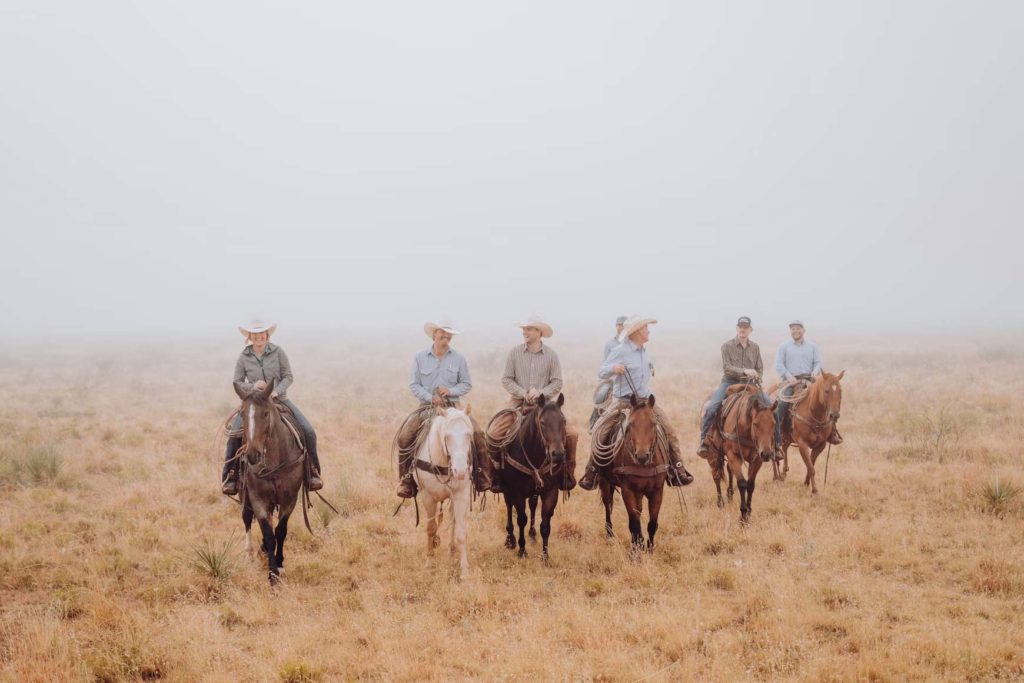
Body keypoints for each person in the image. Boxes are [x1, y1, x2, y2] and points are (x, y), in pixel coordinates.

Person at [578, 316, 694, 490]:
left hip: (646, 402)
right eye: (646, 327)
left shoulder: (644, 351)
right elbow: (602, 371)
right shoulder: (621, 350)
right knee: (600, 431)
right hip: (623, 401)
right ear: (637, 332)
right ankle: (592, 471)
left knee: (669, 431)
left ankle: (677, 469)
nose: (648, 330)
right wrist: (613, 368)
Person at [222, 319, 323, 495]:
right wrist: (253, 387)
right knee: (234, 435)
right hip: (253, 403)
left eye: (262, 333)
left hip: (279, 399)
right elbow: (237, 382)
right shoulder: (243, 357)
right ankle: (231, 476)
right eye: (255, 334)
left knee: (308, 431)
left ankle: (312, 473)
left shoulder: (278, 352)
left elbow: (288, 376)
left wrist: (276, 391)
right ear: (250, 337)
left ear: (267, 335)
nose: (259, 337)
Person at [394, 321, 488, 498]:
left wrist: (450, 391)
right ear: (433, 335)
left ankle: (482, 475)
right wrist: (430, 397)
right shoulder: (419, 357)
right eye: (442, 334)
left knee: (478, 433)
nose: (445, 338)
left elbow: (466, 383)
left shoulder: (459, 358)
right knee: (405, 436)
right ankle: (406, 480)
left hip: (453, 407)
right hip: (427, 407)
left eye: (448, 335)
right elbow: (414, 385)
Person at [484, 316, 577, 493]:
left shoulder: (551, 355)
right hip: (517, 402)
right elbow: (506, 379)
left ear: (539, 333)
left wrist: (541, 392)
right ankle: (495, 474)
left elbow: (557, 382)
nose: (525, 332)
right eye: (524, 329)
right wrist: (522, 393)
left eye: (529, 329)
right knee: (493, 433)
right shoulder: (514, 353)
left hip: (545, 405)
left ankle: (566, 473)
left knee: (572, 434)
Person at [697, 316, 766, 459]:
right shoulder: (726, 346)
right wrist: (745, 371)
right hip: (730, 382)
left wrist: (757, 375)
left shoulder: (755, 347)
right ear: (736, 329)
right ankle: (704, 441)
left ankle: (775, 444)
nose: (743, 329)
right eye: (740, 327)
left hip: (750, 384)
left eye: (745, 327)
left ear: (750, 330)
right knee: (711, 408)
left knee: (771, 408)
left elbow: (760, 368)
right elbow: (727, 368)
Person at [774, 319, 842, 449]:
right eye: (793, 329)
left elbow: (818, 362)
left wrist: (815, 372)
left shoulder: (812, 346)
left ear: (803, 330)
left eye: (798, 328)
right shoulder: (784, 346)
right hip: (790, 382)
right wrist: (789, 376)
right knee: (782, 404)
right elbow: (779, 365)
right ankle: (778, 436)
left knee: (825, 400)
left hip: (809, 381)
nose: (795, 331)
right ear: (790, 331)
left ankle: (832, 432)